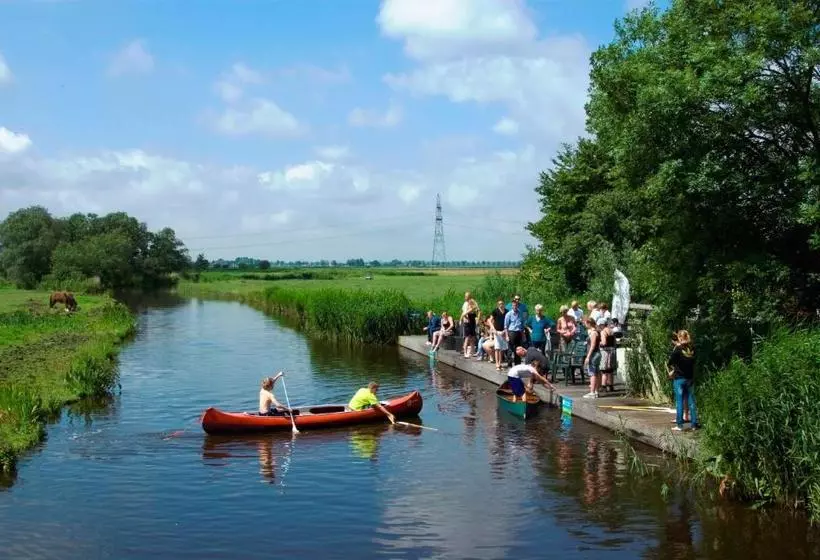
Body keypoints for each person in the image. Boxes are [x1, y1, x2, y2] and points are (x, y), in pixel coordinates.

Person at [667, 330, 699, 431]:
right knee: (691, 402)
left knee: (679, 402)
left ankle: (679, 425)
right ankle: (694, 424)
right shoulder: (693, 348)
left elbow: (670, 362)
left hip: (679, 379)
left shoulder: (678, 349)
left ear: (680, 338)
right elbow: (692, 362)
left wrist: (672, 371)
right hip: (690, 378)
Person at [582, 318, 602, 399]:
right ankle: (596, 391)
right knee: (597, 372)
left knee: (592, 373)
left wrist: (588, 356)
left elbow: (593, 345)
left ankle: (592, 392)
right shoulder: (596, 331)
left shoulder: (593, 333)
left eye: (586, 323)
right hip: (597, 354)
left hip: (594, 354)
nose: (585, 325)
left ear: (589, 323)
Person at [504, 297, 525, 367]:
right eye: (513, 305)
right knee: (510, 348)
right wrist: (507, 336)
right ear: (512, 306)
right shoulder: (509, 314)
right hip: (512, 332)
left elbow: (522, 325)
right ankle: (509, 363)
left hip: (518, 332)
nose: (515, 306)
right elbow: (506, 326)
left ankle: (517, 363)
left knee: (518, 348)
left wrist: (523, 335)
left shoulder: (520, 313)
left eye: (516, 305)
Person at [491, 299, 508, 371]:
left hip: (503, 331)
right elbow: (490, 320)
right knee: (497, 348)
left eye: (502, 303)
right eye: (499, 304)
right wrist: (493, 329)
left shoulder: (507, 311)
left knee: (502, 349)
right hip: (497, 332)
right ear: (498, 305)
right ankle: (497, 363)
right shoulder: (495, 311)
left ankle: (500, 363)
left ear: (504, 304)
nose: (501, 305)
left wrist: (505, 331)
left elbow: (508, 322)